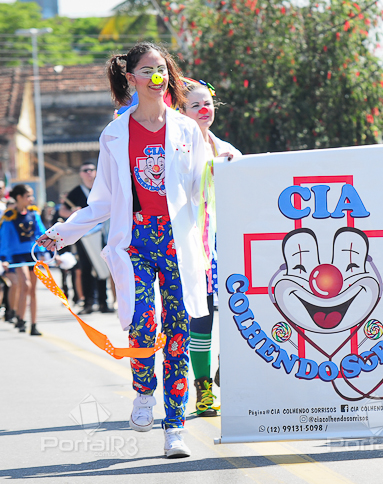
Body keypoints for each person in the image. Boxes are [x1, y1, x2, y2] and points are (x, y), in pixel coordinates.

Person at [37, 41, 209, 459]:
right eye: (147, 70)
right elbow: (103, 201)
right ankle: (144, 392)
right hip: (135, 240)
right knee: (143, 324)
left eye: (162, 69)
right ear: (131, 78)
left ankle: (175, 427)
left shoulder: (186, 130)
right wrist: (60, 234)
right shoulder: (115, 134)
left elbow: (203, 188)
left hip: (176, 241)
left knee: (179, 332)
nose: (157, 77)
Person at [180, 78, 240, 417]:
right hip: (194, 244)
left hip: (228, 245)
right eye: (195, 105)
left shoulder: (227, 148)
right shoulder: (179, 150)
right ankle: (202, 388)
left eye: (208, 104)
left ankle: (227, 365)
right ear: (182, 112)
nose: (204, 110)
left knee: (237, 312)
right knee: (201, 318)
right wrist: (213, 169)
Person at [62, 163, 112, 314]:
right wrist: (73, 213)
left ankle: (103, 302)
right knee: (85, 268)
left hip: (102, 234)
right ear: (80, 174)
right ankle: (88, 303)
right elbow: (62, 210)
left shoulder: (102, 188)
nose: (89, 172)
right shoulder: (76, 192)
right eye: (85, 170)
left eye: (91, 170)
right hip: (83, 236)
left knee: (102, 267)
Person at [0, 184, 47, 336]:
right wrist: (4, 258)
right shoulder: (9, 216)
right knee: (25, 285)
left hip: (32, 254)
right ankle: (19, 317)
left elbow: (41, 232)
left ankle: (33, 324)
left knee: (32, 290)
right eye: (28, 196)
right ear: (19, 197)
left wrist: (46, 250)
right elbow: (5, 238)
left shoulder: (33, 213)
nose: (31, 199)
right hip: (17, 256)